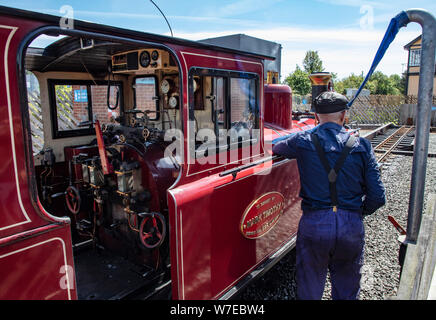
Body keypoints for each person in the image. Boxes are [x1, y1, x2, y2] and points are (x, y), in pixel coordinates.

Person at [272, 91, 386, 300]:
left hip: (314, 223)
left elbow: (277, 146)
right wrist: (357, 212)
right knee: (347, 287)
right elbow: (378, 196)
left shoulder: (303, 140)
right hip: (350, 224)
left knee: (310, 286)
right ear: (344, 116)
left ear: (316, 117)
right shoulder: (362, 146)